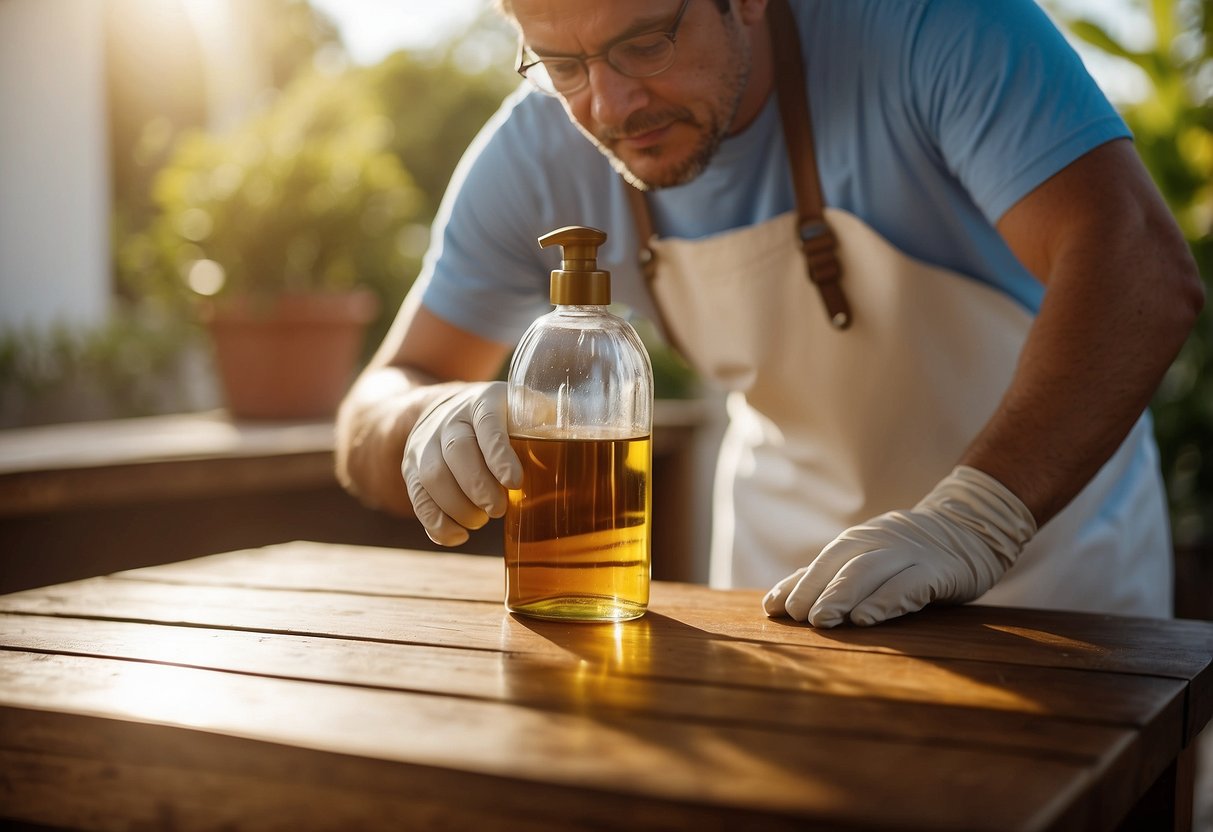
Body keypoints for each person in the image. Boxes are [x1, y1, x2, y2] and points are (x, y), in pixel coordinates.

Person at [335, 0, 1203, 629]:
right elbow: (375, 403)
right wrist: (425, 420)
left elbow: (1139, 271)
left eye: (645, 42)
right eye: (562, 66)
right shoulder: (532, 150)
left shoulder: (933, 26)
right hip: (780, 591)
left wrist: (975, 521)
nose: (608, 107)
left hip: (1039, 576)